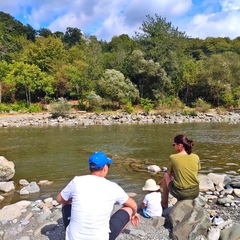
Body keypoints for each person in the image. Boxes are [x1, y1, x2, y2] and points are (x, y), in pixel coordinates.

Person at [56, 151, 140, 240]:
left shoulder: (77, 181)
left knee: (65, 200)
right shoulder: (112, 187)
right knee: (129, 209)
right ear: (105, 167)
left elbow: (59, 199)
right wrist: (134, 214)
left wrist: (72, 199)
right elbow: (133, 205)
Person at [159, 134, 201, 209]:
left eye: (174, 144)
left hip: (182, 194)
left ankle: (164, 203)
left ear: (180, 145)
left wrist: (161, 182)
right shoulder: (196, 157)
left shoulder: (173, 157)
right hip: (195, 192)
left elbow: (169, 174)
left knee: (166, 175)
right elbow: (195, 172)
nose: (173, 146)